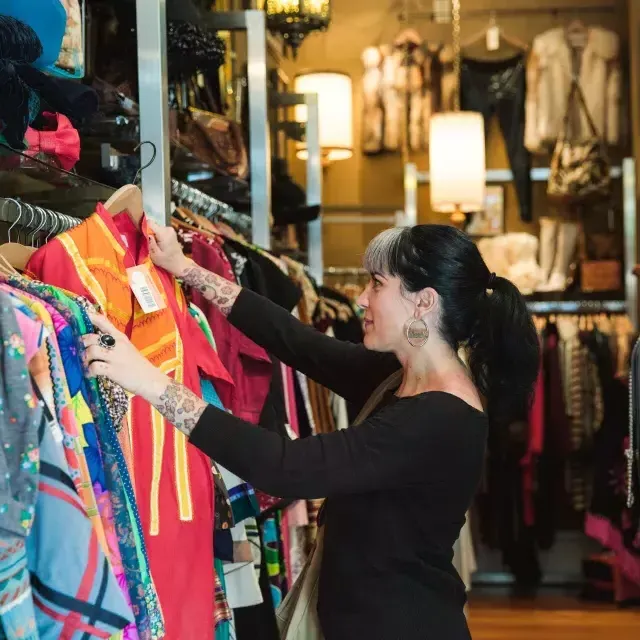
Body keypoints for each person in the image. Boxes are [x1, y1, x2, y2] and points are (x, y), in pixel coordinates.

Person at [83, 222, 540, 639]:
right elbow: (297, 342)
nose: (361, 298)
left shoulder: (439, 418)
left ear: (424, 301)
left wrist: (145, 380)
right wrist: (187, 270)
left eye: (377, 285)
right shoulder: (400, 375)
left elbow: (287, 467)